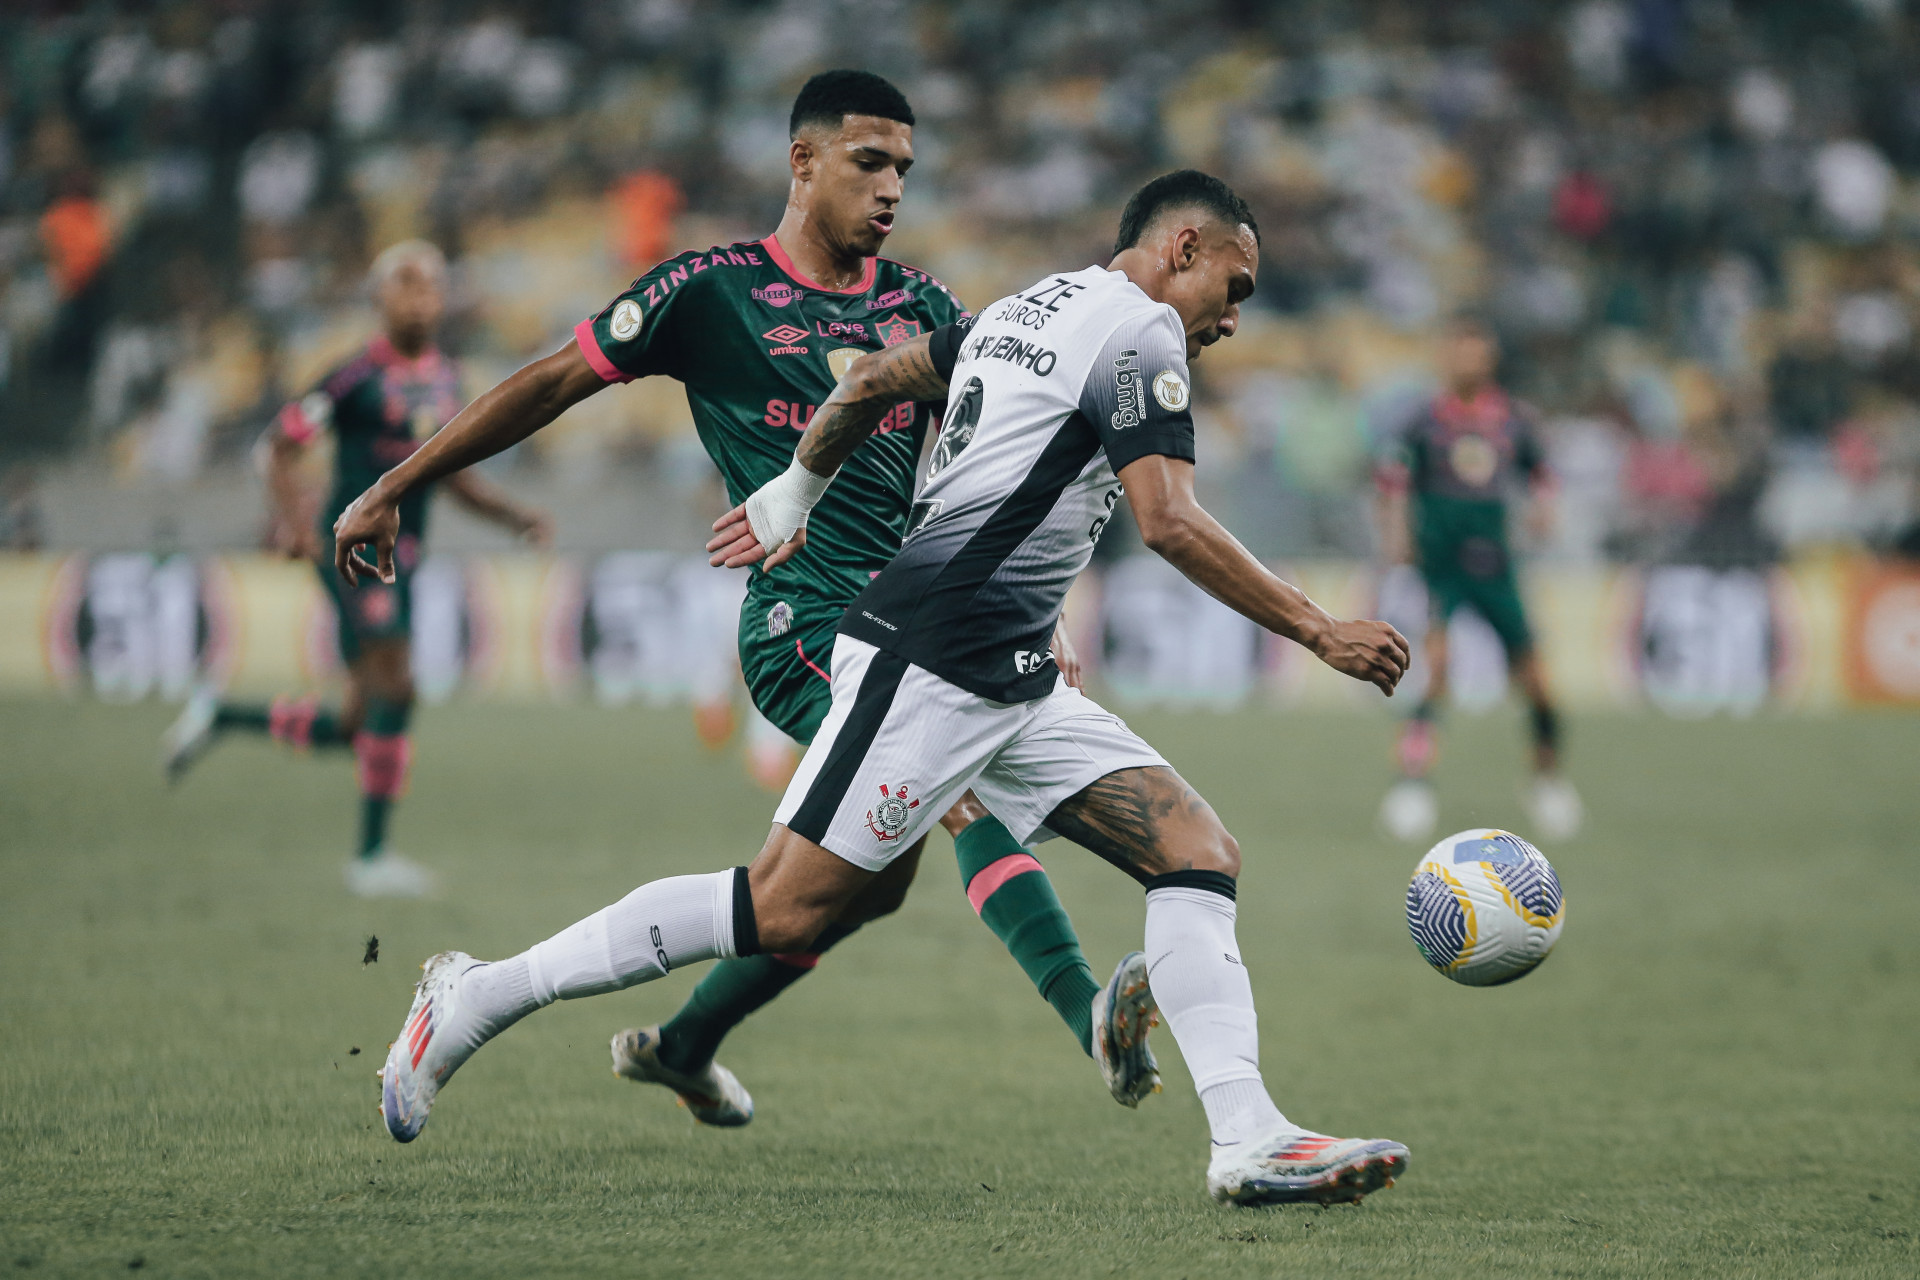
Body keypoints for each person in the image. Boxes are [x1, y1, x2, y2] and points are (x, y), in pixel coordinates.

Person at [347, 170, 1417, 1206]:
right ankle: (478, 991)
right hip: (930, 656)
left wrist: (792, 492)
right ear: (1183, 247)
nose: (1233, 318)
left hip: (1008, 670)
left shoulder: (1023, 308)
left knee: (1195, 850)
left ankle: (1249, 1136)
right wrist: (1320, 628)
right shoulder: (1138, 331)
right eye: (1233, 286)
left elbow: (865, 382)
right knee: (782, 904)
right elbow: (1169, 519)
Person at [325, 71, 1155, 1126]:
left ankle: (679, 1042)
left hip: (925, 621)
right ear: (802, 161)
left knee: (858, 881)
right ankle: (1091, 1012)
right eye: (869, 161)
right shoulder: (708, 290)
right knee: (960, 793)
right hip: (803, 621)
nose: (892, 186)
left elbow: (992, 476)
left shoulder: (927, 307)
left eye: (904, 166)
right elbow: (547, 383)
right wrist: (395, 486)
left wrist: (1033, 617)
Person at [162, 241, 551, 898]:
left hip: (405, 562)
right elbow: (277, 448)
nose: (421, 294)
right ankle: (371, 857)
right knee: (397, 689)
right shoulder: (351, 379)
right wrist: (291, 523)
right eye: (405, 282)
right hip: (353, 555)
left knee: (357, 722)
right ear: (378, 297)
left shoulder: (447, 379)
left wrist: (514, 515)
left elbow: (451, 475)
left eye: (431, 283)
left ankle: (219, 716)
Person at [1373, 314, 1582, 844]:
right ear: (1446, 355)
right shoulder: (1422, 420)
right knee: (1435, 672)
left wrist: (1543, 511)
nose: (1466, 358)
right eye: (1457, 347)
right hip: (1442, 567)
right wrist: (1396, 535)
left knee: (1535, 682)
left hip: (1497, 567)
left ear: (1489, 356)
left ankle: (1547, 780)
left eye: (1476, 348)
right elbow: (1393, 481)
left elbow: (1542, 475)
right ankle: (1412, 786)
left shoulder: (1513, 420)